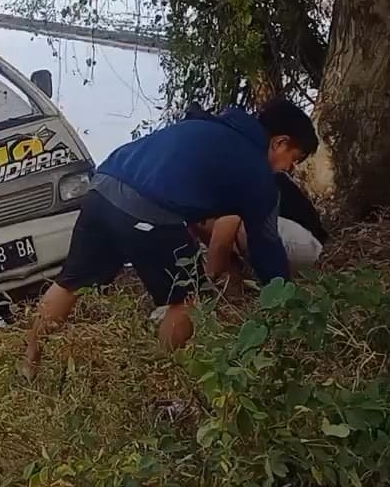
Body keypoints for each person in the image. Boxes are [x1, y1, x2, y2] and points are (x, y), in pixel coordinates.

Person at [19, 100, 318, 377]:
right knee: (188, 301)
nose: (290, 168)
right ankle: (163, 376)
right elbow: (266, 247)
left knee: (71, 281)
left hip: (103, 187)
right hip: (147, 209)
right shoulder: (257, 173)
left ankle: (28, 361)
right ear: (280, 142)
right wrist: (284, 300)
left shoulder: (210, 126)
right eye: (294, 158)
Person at [196, 171, 328, 292]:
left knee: (231, 224)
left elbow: (224, 233)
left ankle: (277, 286)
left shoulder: (232, 172)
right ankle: (235, 286)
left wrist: (207, 282)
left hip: (304, 243)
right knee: (204, 221)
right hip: (297, 242)